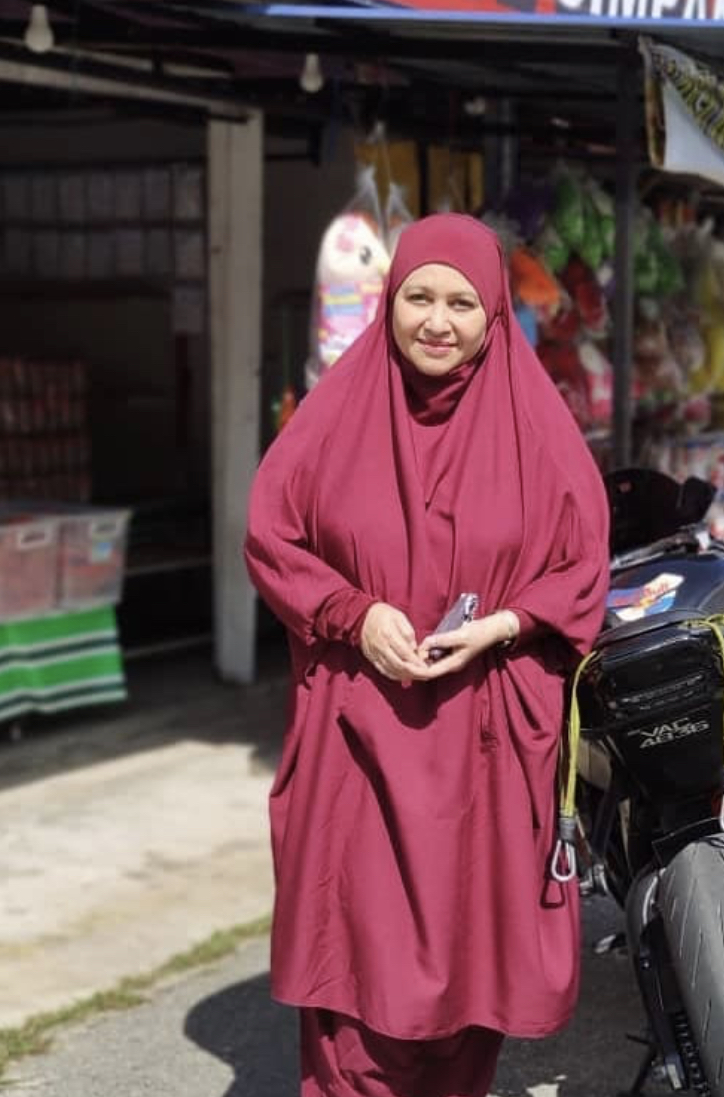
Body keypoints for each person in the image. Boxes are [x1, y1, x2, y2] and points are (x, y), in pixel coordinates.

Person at [245, 212, 611, 1097]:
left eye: (459, 301)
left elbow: (582, 563)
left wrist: (507, 625)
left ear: (493, 313)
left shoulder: (536, 423)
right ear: (390, 301)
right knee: (353, 988)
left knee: (466, 979)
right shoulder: (337, 411)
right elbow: (271, 535)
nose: (435, 321)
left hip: (483, 745)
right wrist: (350, 610)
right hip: (358, 743)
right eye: (417, 297)